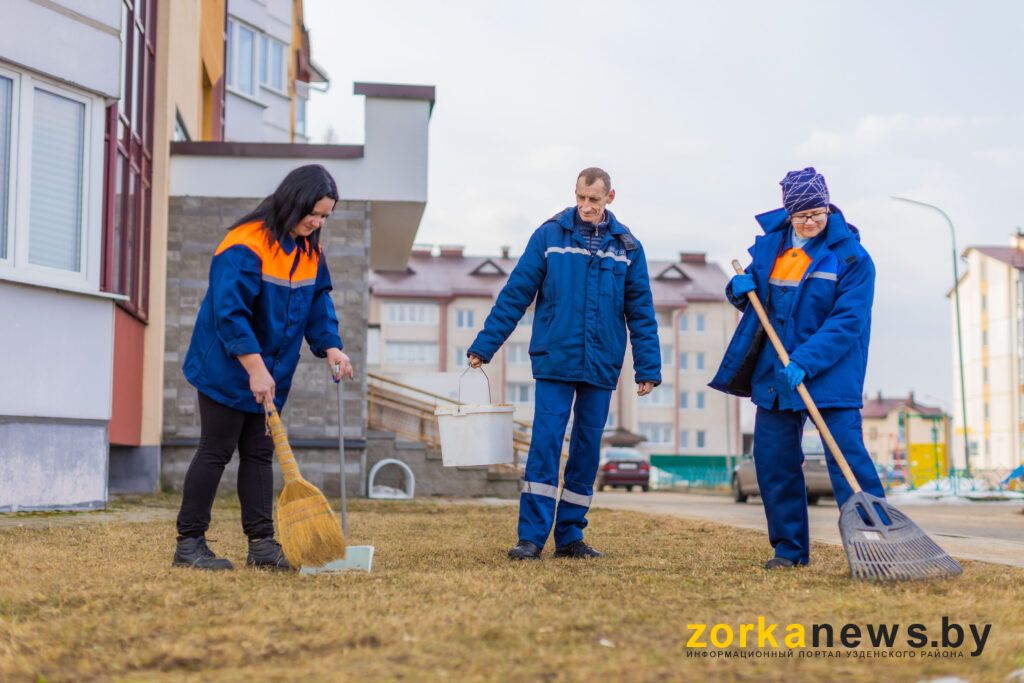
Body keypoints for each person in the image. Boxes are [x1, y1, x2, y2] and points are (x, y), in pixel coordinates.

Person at [468, 167, 661, 560]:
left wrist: (648, 368)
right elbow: (515, 294)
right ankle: (531, 538)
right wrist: (484, 346)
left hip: (602, 363)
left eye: (593, 199)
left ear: (610, 197)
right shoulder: (549, 236)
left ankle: (571, 536)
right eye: (580, 198)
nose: (585, 206)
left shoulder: (628, 247)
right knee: (545, 445)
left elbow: (641, 311)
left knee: (587, 449)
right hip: (555, 360)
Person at [173, 164, 354, 571]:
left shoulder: (310, 251)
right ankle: (189, 545)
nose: (318, 222)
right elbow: (229, 313)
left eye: (326, 216)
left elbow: (318, 303)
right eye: (315, 213)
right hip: (225, 365)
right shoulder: (245, 243)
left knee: (258, 453)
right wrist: (254, 368)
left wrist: (332, 348)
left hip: (270, 372)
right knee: (216, 450)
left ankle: (262, 546)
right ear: (295, 200)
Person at [710, 167, 887, 569]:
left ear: (828, 206)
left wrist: (806, 361)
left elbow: (847, 321)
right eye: (802, 214)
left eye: (818, 213)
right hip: (776, 376)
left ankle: (875, 546)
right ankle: (789, 551)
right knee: (774, 464)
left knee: (850, 465)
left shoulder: (852, 257)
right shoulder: (770, 248)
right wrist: (736, 291)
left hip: (830, 374)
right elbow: (755, 296)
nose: (811, 221)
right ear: (788, 212)